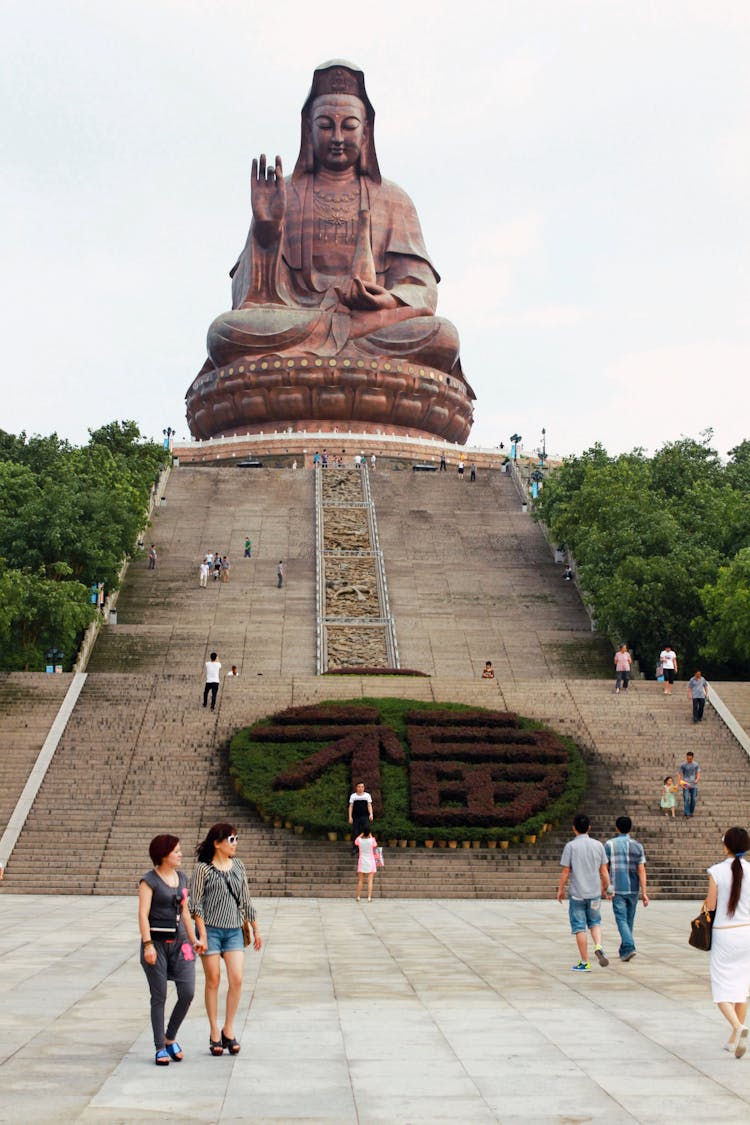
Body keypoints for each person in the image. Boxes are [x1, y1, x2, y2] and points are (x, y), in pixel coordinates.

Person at [189, 823, 262, 1056]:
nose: (235, 843)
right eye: (231, 839)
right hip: (210, 931)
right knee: (213, 980)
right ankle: (213, 1031)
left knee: (237, 979)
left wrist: (256, 929)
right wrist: (201, 934)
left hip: (233, 931)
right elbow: (195, 905)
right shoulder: (203, 869)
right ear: (217, 843)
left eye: (236, 838)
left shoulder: (238, 866)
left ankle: (228, 1029)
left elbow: (246, 900)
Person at [138, 834, 204, 1066]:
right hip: (156, 943)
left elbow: (185, 911)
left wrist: (194, 938)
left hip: (182, 944)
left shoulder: (182, 877)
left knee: (187, 992)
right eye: (175, 851)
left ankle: (170, 1037)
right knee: (160, 996)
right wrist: (147, 944)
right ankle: (159, 1046)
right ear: (163, 855)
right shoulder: (149, 881)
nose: (180, 854)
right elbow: (143, 915)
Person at [703, 827, 750, 1057]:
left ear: (726, 845)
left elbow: (711, 906)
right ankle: (733, 1041)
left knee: (721, 988)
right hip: (747, 933)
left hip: (725, 933)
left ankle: (738, 1027)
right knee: (742, 986)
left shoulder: (717, 871)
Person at [557, 813, 612, 972]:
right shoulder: (598, 845)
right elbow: (604, 871)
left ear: (574, 828)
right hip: (594, 893)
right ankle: (599, 946)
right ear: (589, 827)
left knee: (580, 927)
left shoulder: (571, 846)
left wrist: (560, 889)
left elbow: (566, 871)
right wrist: (607, 888)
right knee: (595, 923)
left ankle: (585, 962)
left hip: (577, 894)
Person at [604, 816, 649, 962]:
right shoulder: (638, 846)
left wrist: (608, 888)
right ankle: (624, 950)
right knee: (629, 919)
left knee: (621, 919)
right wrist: (644, 892)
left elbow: (604, 868)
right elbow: (641, 870)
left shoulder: (609, 845)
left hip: (617, 888)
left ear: (617, 828)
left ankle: (629, 945)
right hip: (634, 889)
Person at [355, 825, 378, 902]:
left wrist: (362, 834)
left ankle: (358, 897)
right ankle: (369, 897)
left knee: (360, 880)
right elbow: (375, 844)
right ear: (369, 833)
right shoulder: (372, 840)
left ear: (363, 832)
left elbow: (356, 841)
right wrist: (370, 835)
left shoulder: (360, 840)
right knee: (370, 880)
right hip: (370, 862)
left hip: (362, 861)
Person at [348, 781, 373, 854]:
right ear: (356, 787)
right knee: (355, 832)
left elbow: (369, 805)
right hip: (356, 817)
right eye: (359, 787)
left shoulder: (367, 795)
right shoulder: (353, 796)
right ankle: (355, 848)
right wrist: (350, 817)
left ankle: (366, 847)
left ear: (364, 788)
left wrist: (371, 814)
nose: (360, 788)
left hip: (365, 816)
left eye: (362, 787)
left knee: (366, 830)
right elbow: (351, 806)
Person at [679, 751, 701, 818]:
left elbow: (698, 772)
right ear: (686, 757)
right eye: (688, 758)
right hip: (686, 783)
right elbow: (680, 773)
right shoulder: (683, 765)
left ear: (692, 758)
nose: (689, 759)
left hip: (693, 784)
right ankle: (687, 813)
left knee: (693, 799)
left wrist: (697, 779)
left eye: (690, 758)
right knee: (686, 798)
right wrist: (680, 781)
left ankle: (691, 812)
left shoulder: (695, 764)